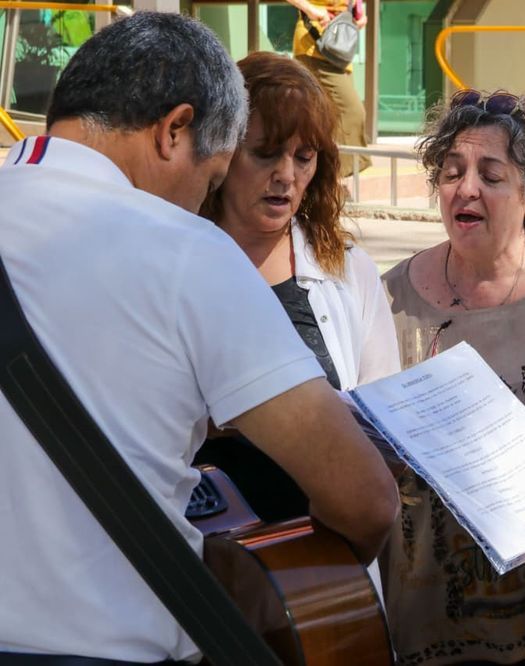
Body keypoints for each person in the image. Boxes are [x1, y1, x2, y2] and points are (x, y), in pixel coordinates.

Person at [0, 12, 398, 662]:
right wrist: (306, 591)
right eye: (212, 179)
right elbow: (366, 499)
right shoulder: (186, 250)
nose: (199, 204)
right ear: (174, 130)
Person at [380, 89, 525, 665]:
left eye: (491, 174)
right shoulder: (389, 297)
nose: (466, 188)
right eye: (451, 172)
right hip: (424, 609)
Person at [196, 51, 399, 523]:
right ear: (221, 152)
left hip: (325, 556)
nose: (286, 175)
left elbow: (386, 427)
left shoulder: (348, 269)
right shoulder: (177, 262)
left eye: (304, 157)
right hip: (198, 549)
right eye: (265, 153)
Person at [286, 0, 370, 176]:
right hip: (315, 46)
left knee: (328, 117)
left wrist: (358, 13)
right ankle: (339, 176)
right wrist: (311, 9)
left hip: (338, 49)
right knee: (351, 112)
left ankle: (329, 177)